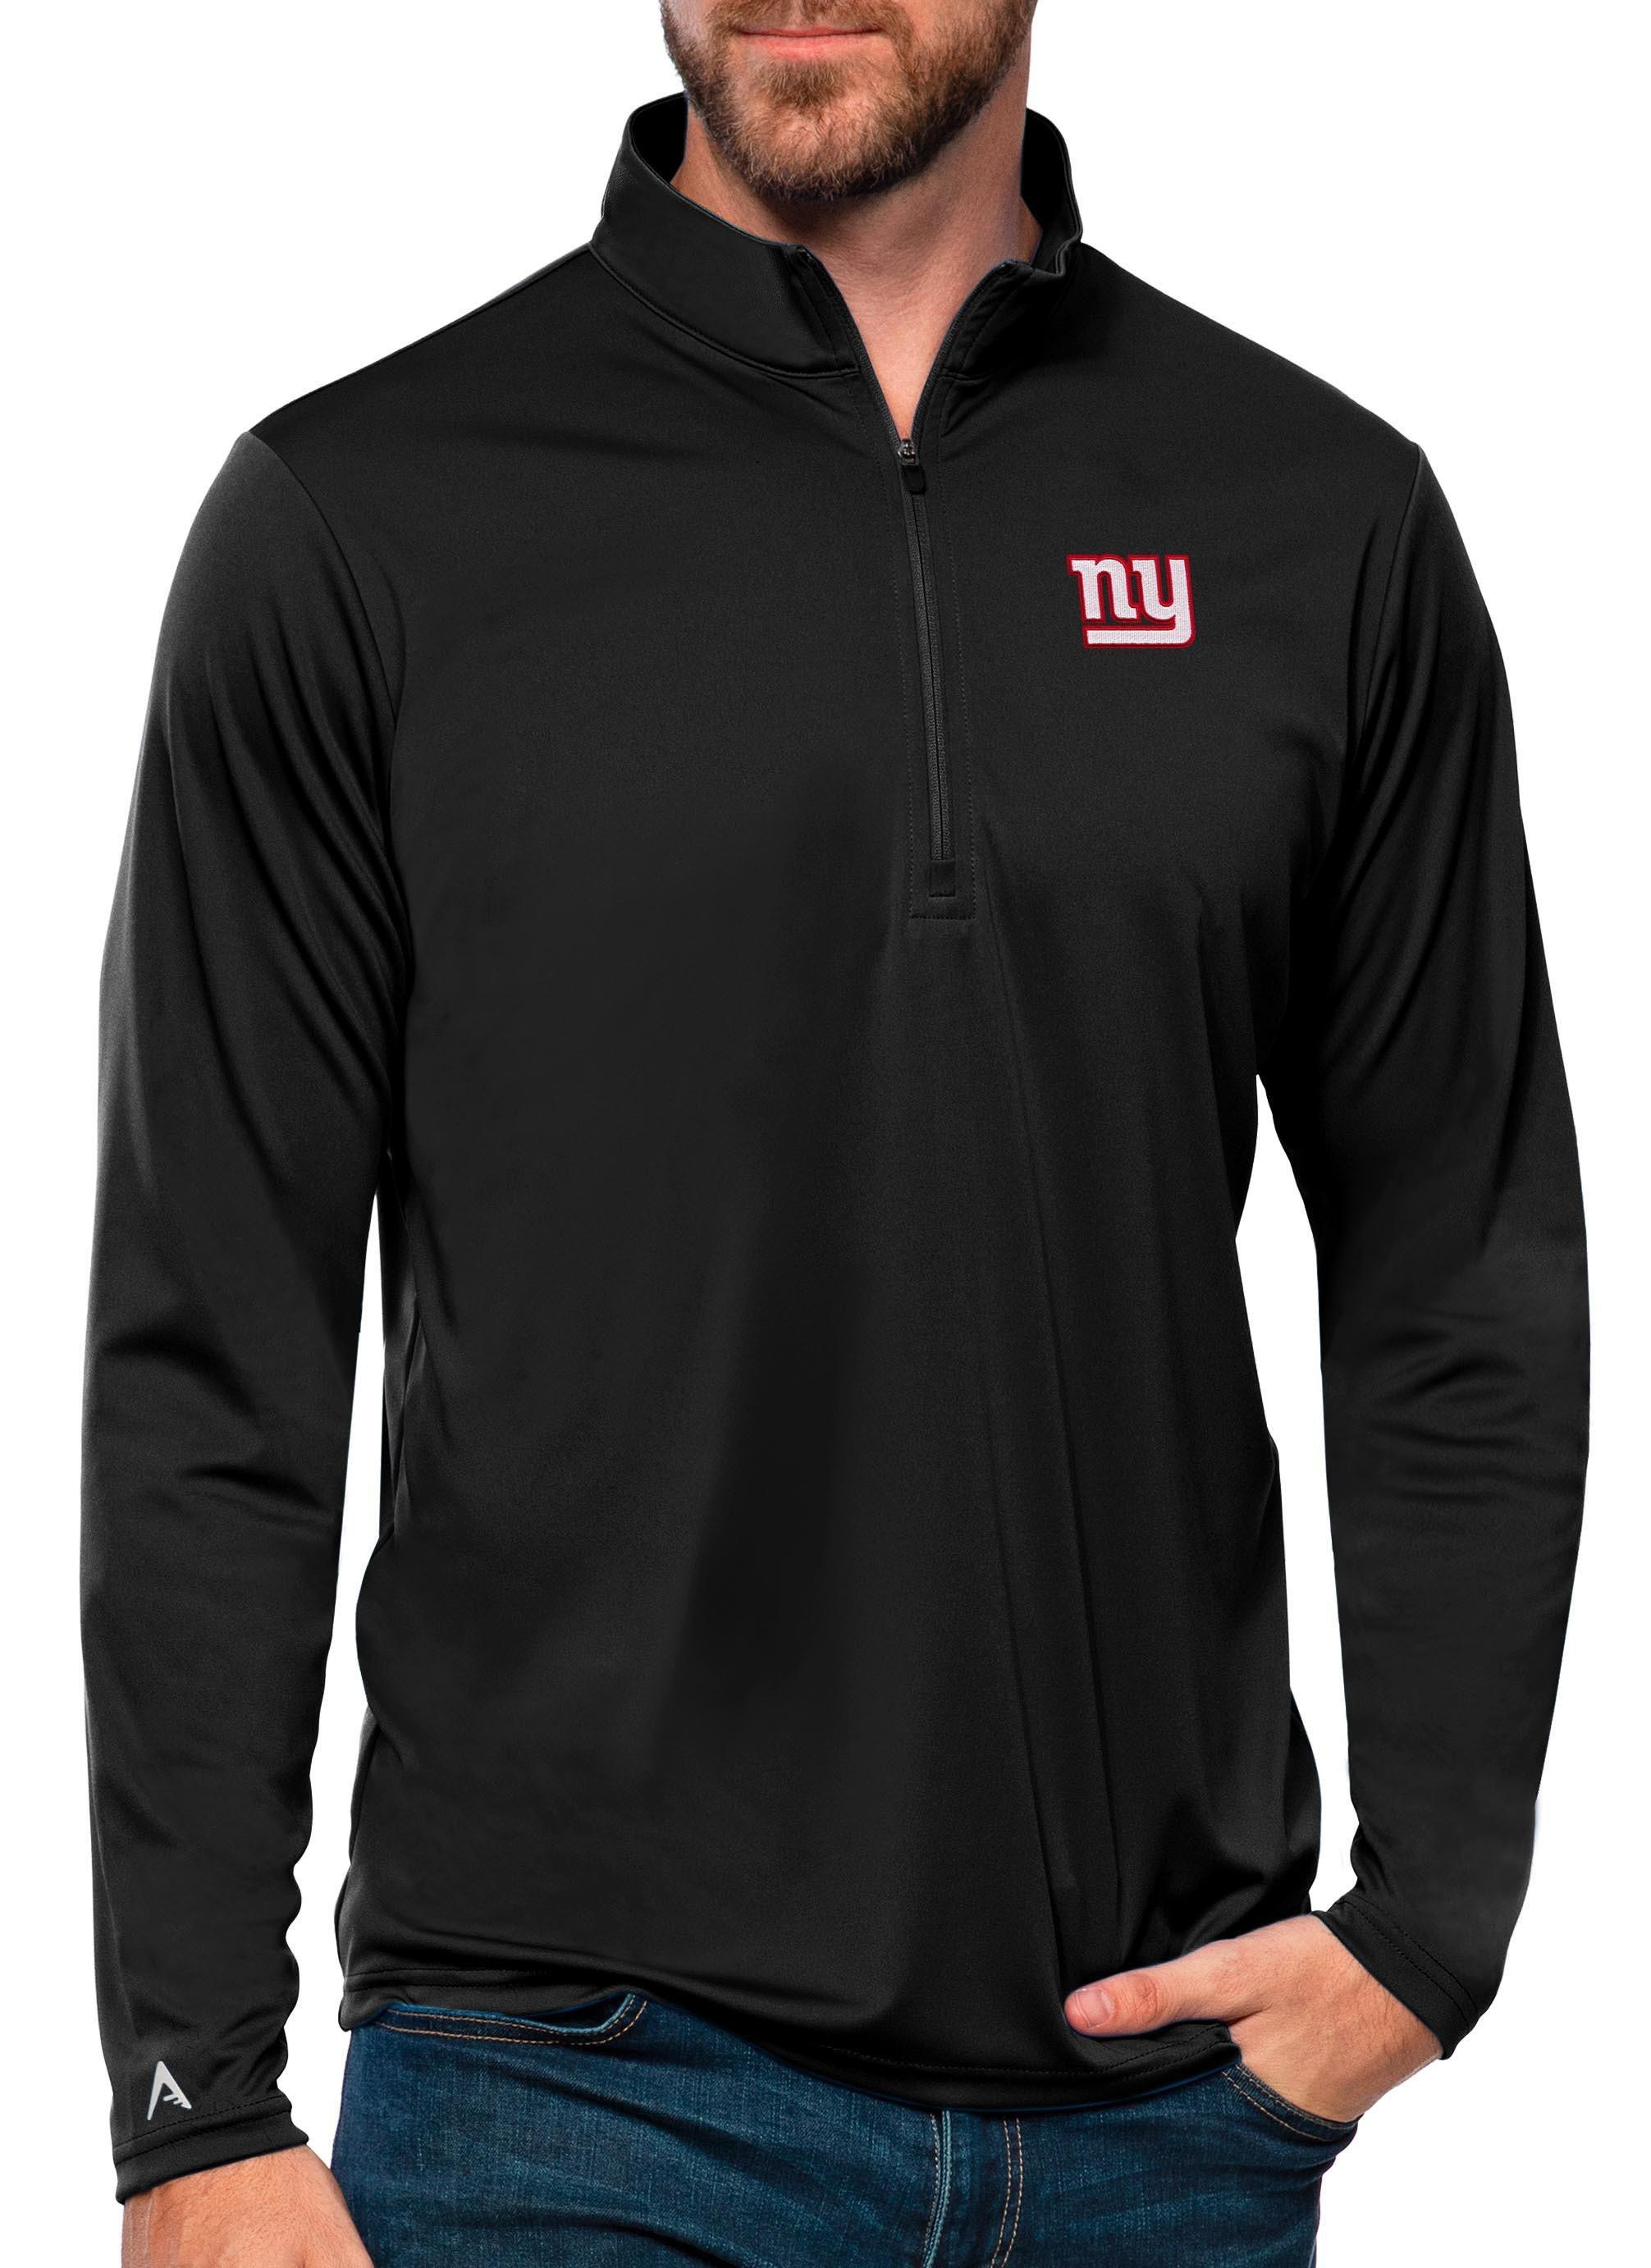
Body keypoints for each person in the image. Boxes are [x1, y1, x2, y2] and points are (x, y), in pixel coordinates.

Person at [88, 3, 1589, 2263]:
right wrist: (193, 2101)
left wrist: (1431, 1926)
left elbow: (1456, 1255)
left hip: (1166, 2115)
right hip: (557, 2102)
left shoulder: (1316, 514)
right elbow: (213, 1345)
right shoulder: (361, 517)